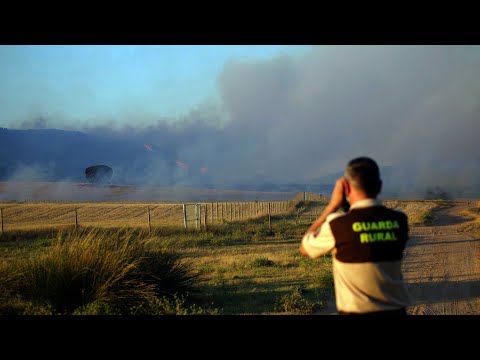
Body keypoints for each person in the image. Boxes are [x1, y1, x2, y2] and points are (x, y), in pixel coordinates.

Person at [299, 156, 410, 315]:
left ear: (346, 188)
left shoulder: (337, 225)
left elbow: (304, 248)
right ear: (380, 186)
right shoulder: (400, 220)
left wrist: (332, 206)